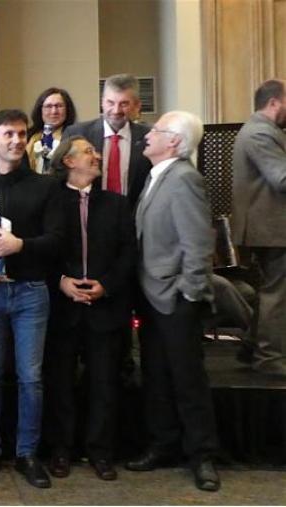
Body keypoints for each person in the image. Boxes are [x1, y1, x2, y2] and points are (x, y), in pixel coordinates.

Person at [127, 111, 221, 492]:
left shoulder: (184, 179)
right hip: (151, 297)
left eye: (157, 130)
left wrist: (190, 293)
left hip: (177, 300)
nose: (148, 134)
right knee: (157, 377)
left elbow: (198, 243)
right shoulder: (155, 176)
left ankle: (202, 456)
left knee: (187, 381)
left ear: (176, 142)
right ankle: (164, 445)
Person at [0, 109, 64, 489]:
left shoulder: (46, 187)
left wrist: (19, 244)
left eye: (20, 134)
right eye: (6, 133)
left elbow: (58, 240)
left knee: (31, 377)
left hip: (31, 292)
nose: (14, 140)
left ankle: (27, 453)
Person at [42, 136, 136, 482]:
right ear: (68, 161)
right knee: (60, 384)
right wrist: (62, 281)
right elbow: (42, 251)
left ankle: (100, 452)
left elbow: (128, 253)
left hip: (105, 307)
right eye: (88, 152)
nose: (97, 155)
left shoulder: (116, 204)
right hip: (62, 307)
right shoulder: (50, 201)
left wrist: (106, 285)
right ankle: (61, 449)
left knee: (104, 383)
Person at [231, 78, 286, 377]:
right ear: (275, 102)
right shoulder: (260, 133)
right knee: (277, 294)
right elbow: (281, 178)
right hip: (271, 229)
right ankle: (269, 358)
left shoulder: (263, 131)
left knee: (272, 290)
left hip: (269, 227)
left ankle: (252, 346)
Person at [64, 74, 152, 208]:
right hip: (87, 215)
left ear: (137, 105)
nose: (116, 111)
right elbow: (61, 177)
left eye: (124, 104)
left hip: (132, 218)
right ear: (102, 102)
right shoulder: (77, 133)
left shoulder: (149, 137)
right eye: (110, 103)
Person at [26, 88, 78, 174]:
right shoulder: (29, 136)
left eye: (59, 106)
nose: (54, 111)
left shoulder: (76, 138)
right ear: (40, 110)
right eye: (48, 106)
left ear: (67, 110)